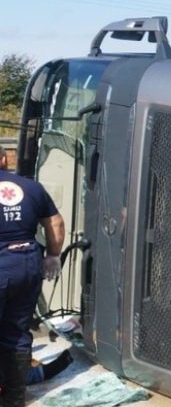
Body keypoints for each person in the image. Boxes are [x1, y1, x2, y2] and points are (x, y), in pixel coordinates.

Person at [0, 145, 65, 407]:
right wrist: (52, 255)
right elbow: (56, 223)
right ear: (4, 159)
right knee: (16, 333)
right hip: (27, 265)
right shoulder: (31, 187)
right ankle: (14, 400)